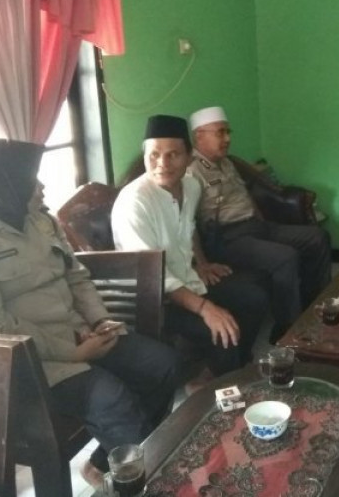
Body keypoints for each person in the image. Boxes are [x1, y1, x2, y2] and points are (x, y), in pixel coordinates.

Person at [0, 139, 179, 486]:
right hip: (27, 362)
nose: (42, 187)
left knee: (162, 364)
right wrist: (73, 351)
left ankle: (108, 464)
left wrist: (99, 319)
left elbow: (76, 276)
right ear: (6, 186)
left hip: (80, 332)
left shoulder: (41, 221)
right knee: (112, 399)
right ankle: (150, 483)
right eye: (32, 180)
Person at [112, 115, 269, 376]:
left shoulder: (191, 185)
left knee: (255, 298)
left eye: (173, 155)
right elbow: (153, 276)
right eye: (154, 155)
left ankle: (229, 371)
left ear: (188, 157)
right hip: (152, 300)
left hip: (187, 279)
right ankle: (223, 381)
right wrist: (206, 308)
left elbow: (189, 227)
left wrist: (202, 263)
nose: (162, 164)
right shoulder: (134, 202)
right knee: (221, 329)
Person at [187, 106, 331, 343]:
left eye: (228, 132)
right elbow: (187, 222)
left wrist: (262, 222)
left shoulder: (226, 162)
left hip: (256, 227)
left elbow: (244, 196)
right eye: (220, 132)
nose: (227, 138)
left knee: (317, 237)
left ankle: (315, 306)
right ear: (199, 136)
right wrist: (201, 263)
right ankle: (287, 328)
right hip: (228, 239)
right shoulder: (191, 172)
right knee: (285, 257)